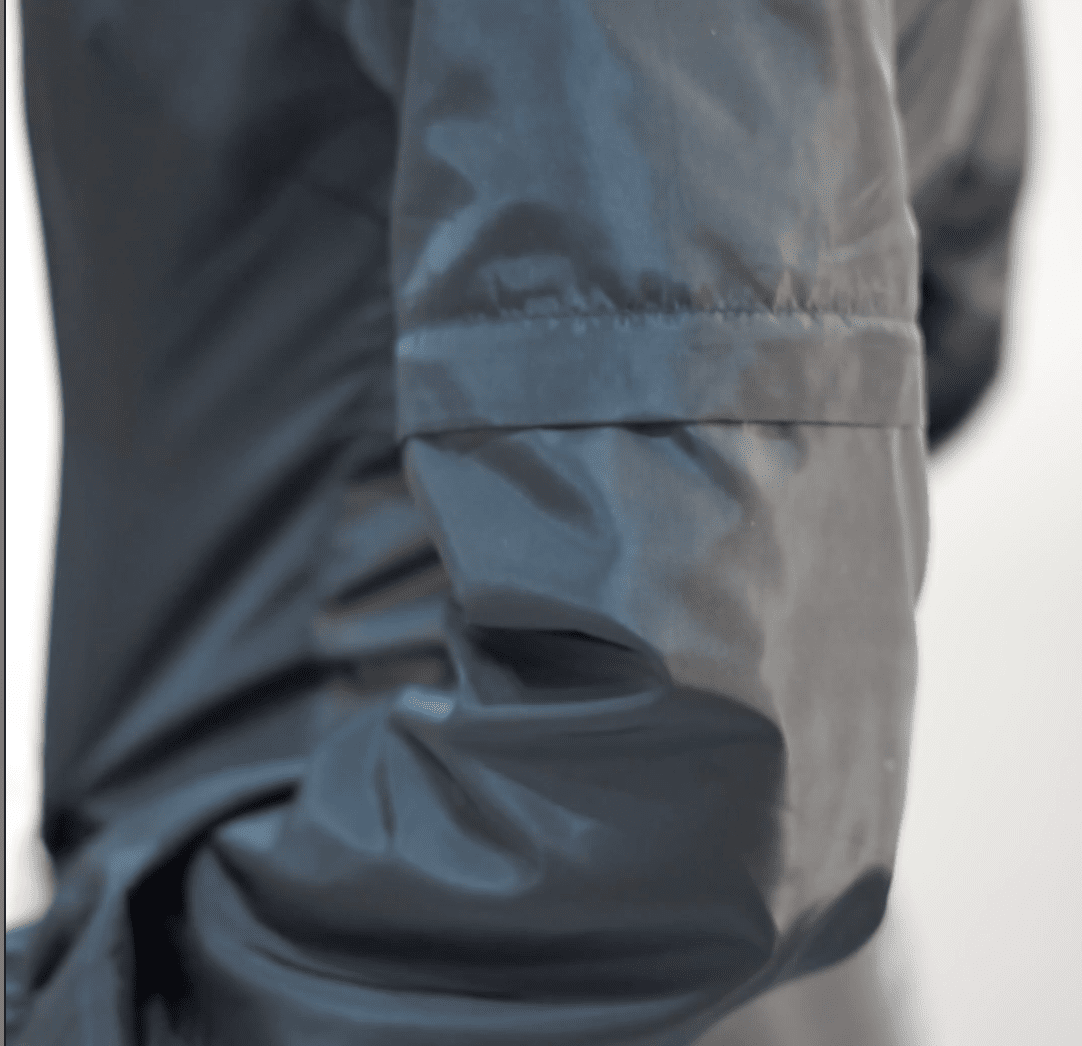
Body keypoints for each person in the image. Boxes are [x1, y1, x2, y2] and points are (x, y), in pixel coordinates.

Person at [6, 1, 1026, 1043]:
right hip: (489, 952)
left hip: (355, 946)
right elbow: (920, 313)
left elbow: (682, 769)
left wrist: (97, 1010)